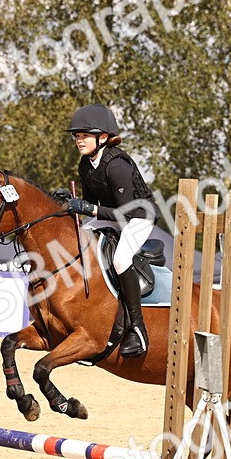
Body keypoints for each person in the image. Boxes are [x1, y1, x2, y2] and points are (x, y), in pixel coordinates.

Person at [62, 103, 159, 358]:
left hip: (138, 217)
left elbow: (124, 212)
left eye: (84, 135)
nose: (78, 140)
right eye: (77, 136)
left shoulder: (117, 165)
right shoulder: (86, 165)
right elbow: (90, 206)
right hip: (113, 216)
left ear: (102, 137)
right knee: (78, 237)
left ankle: (137, 329)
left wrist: (89, 209)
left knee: (120, 259)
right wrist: (66, 203)